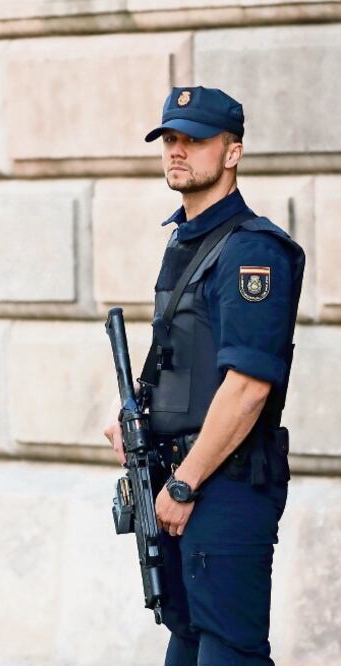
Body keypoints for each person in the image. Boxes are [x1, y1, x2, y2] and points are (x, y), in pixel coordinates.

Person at [103, 86, 305, 665]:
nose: (177, 150)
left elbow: (247, 387)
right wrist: (135, 417)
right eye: (170, 138)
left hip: (224, 483)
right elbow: (179, 356)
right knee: (188, 643)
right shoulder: (187, 241)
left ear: (233, 151)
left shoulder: (251, 253)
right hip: (177, 479)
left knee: (229, 653)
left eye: (194, 139)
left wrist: (186, 482)